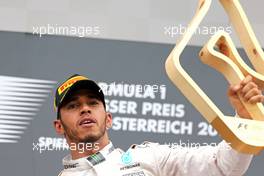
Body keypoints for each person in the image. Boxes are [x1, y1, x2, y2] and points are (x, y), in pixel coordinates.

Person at [53, 74, 263, 176]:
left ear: (108, 118)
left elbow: (223, 166)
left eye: (93, 102)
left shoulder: (149, 156)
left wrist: (244, 119)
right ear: (59, 126)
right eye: (73, 105)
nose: (85, 109)